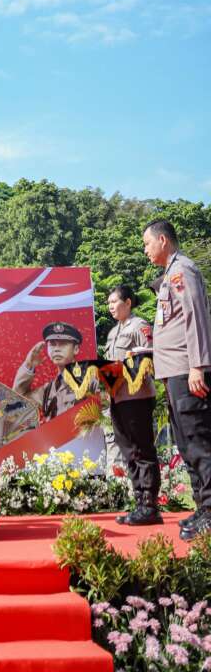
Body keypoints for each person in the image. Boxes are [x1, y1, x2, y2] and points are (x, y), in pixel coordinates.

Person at [144, 218, 211, 541]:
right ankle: (203, 508)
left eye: (147, 243)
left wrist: (199, 365)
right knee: (185, 445)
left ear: (162, 240)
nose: (145, 250)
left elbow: (196, 316)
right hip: (173, 374)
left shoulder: (181, 270)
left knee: (199, 443)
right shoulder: (169, 274)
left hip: (188, 371)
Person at [103, 286, 162, 526]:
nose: (110, 306)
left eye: (114, 301)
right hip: (117, 398)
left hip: (136, 396)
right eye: (108, 302)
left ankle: (150, 504)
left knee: (141, 448)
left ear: (128, 302)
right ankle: (139, 502)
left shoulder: (139, 326)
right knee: (128, 450)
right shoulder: (112, 332)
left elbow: (149, 354)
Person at [13, 321, 93, 420]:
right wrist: (28, 366)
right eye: (52, 344)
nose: (56, 349)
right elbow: (17, 404)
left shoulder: (90, 379)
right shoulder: (48, 390)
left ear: (76, 349)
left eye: (63, 344)